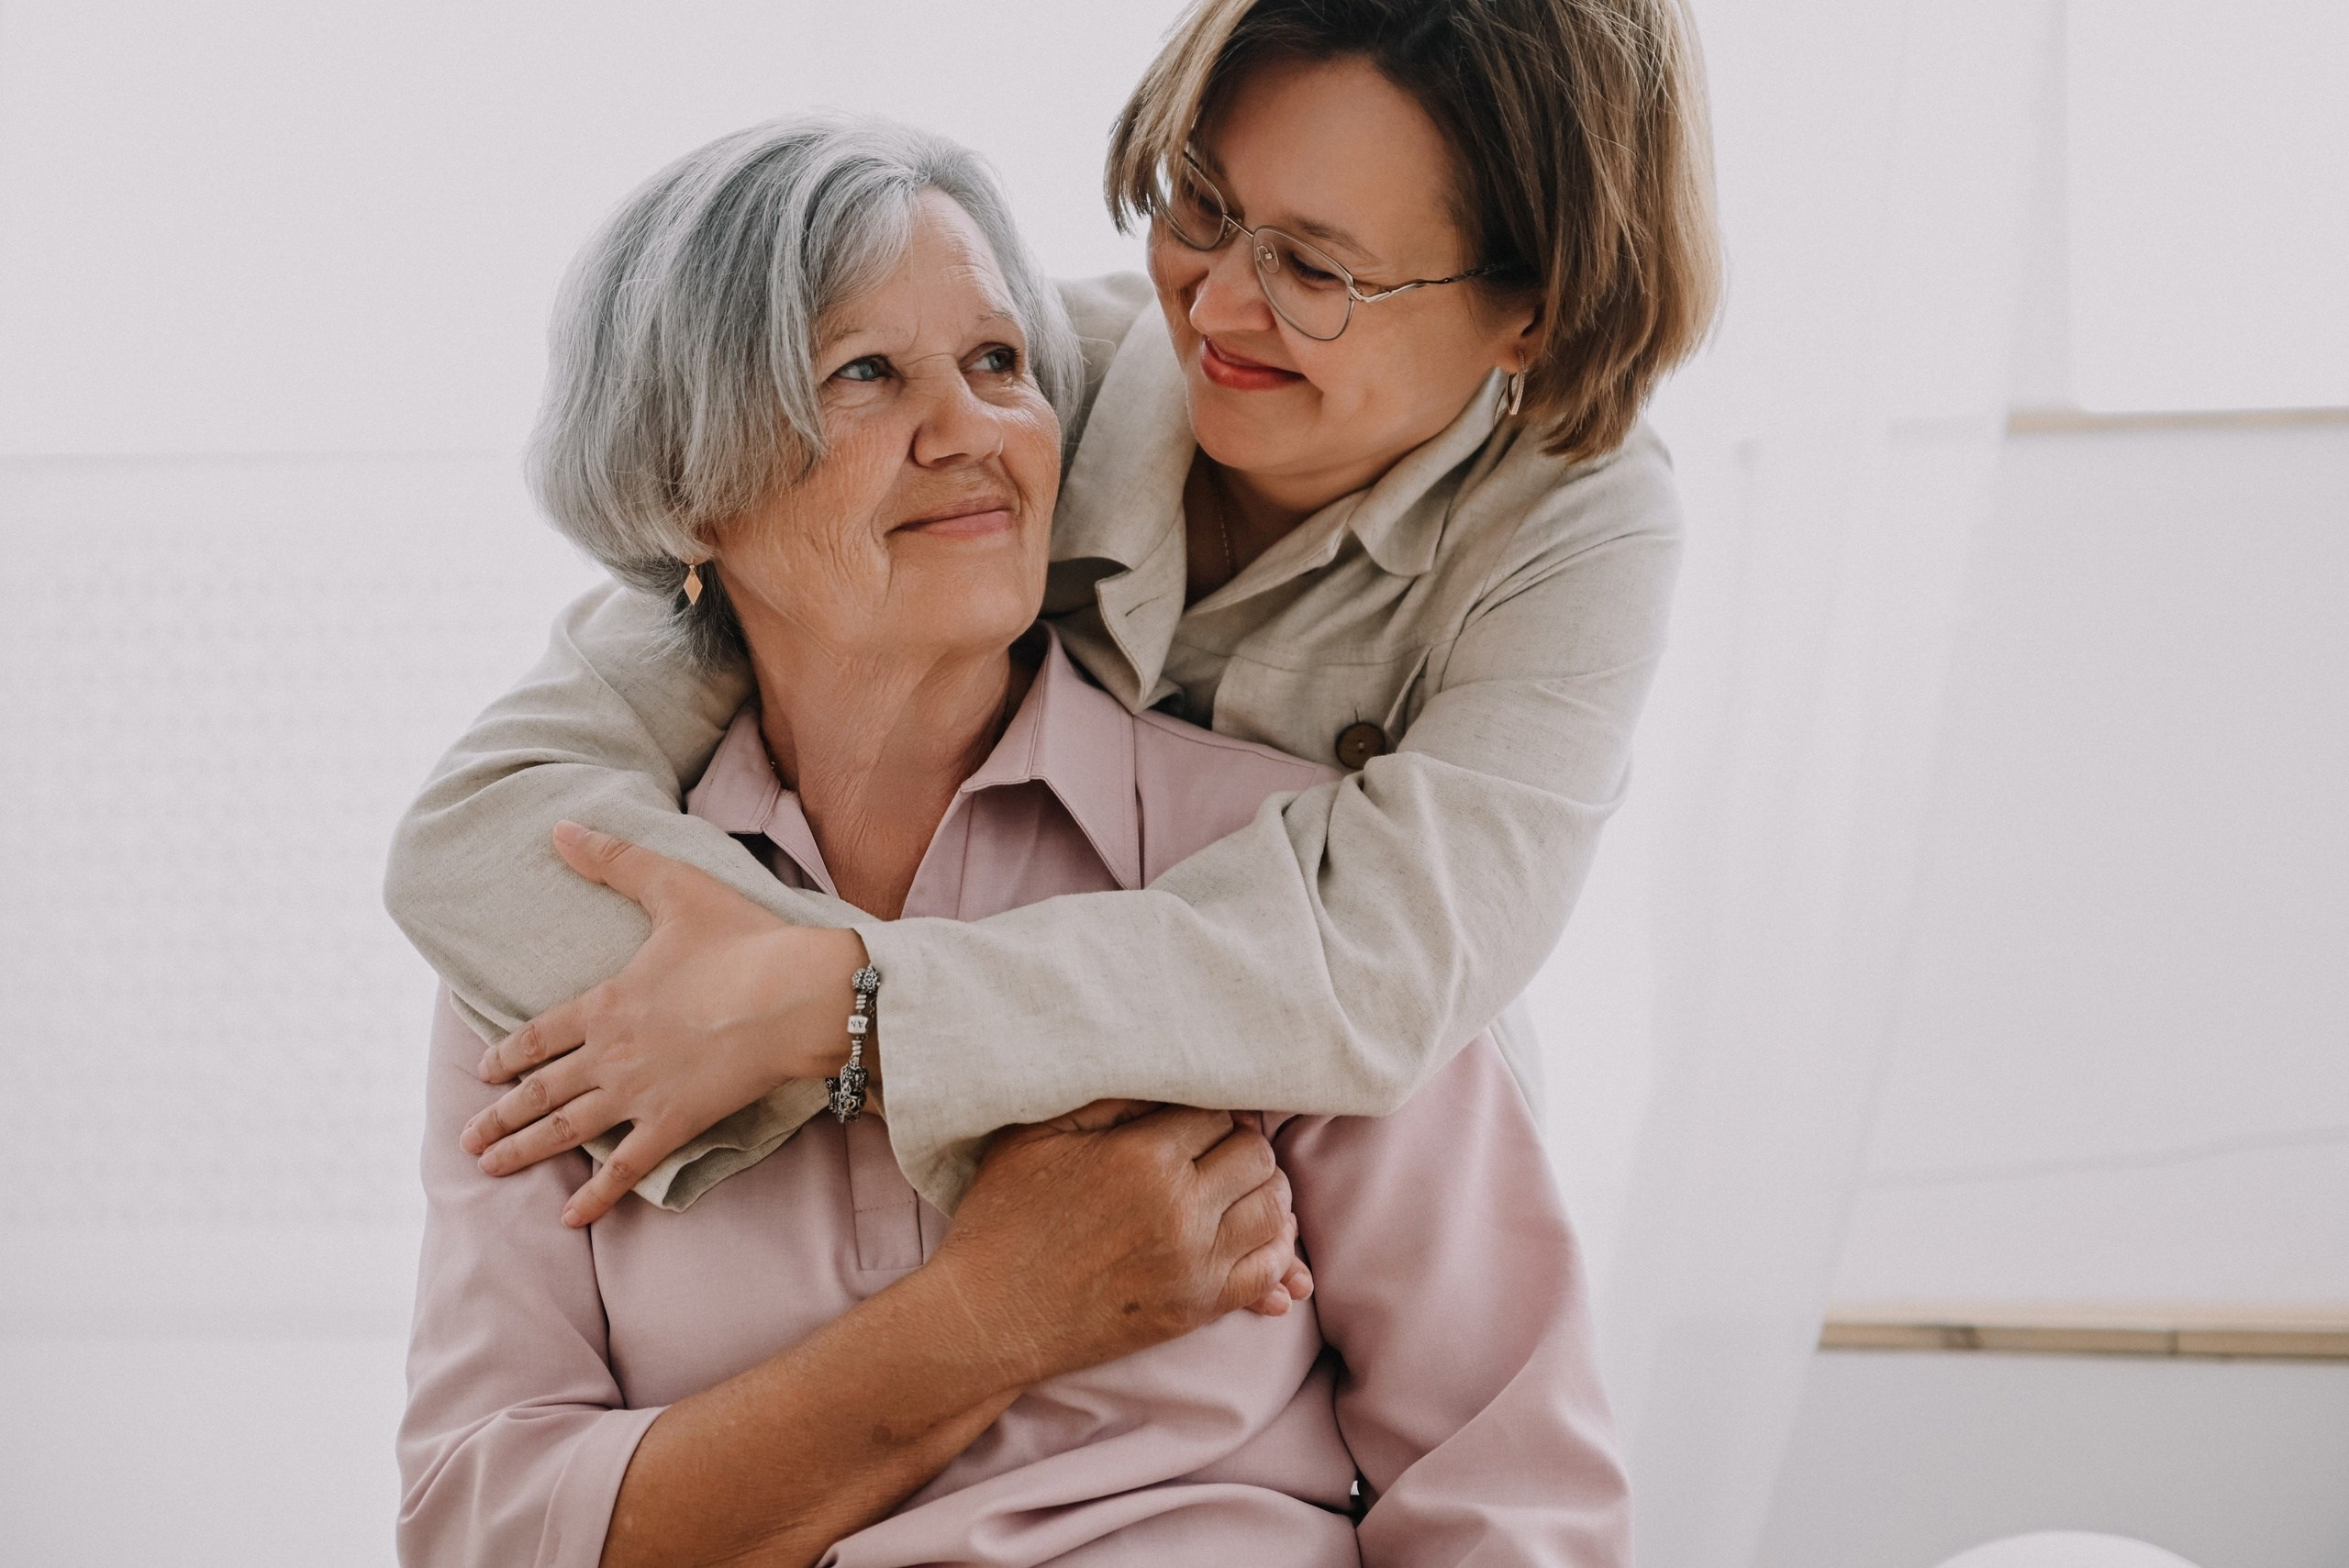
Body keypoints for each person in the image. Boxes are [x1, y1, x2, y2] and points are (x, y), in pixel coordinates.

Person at [397, 115, 1628, 1567]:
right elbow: (487, 1527)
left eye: (999, 364)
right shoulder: (563, 933)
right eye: (864, 373)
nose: (971, 428)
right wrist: (992, 1316)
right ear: (684, 489)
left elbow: (1512, 1492)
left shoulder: (1285, 885)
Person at [385, 0, 1719, 1224]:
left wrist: (843, 1008)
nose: (1215, 302)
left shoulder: (1575, 529)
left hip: (1342, 1217)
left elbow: (1384, 968)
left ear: (1530, 319)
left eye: (1316, 272)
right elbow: (482, 824)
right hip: (993, 1215)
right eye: (1199, 203)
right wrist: (799, 1032)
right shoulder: (1007, 412)